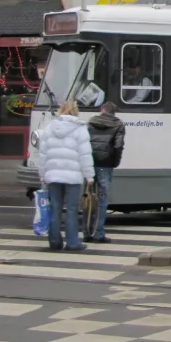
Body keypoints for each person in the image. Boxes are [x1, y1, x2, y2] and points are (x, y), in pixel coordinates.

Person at [37, 101, 95, 252]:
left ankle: (55, 242)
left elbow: (42, 154)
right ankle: (72, 243)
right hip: (73, 177)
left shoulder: (50, 127)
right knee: (71, 209)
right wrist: (89, 176)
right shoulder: (80, 129)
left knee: (55, 209)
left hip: (53, 176)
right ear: (76, 112)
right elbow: (85, 155)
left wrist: (42, 175)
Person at [86, 102, 126, 244]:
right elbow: (118, 146)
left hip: (90, 164)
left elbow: (85, 143)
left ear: (102, 110)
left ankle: (87, 232)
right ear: (114, 112)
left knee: (89, 198)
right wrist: (114, 163)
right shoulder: (118, 125)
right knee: (102, 200)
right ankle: (99, 233)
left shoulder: (91, 122)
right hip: (106, 165)